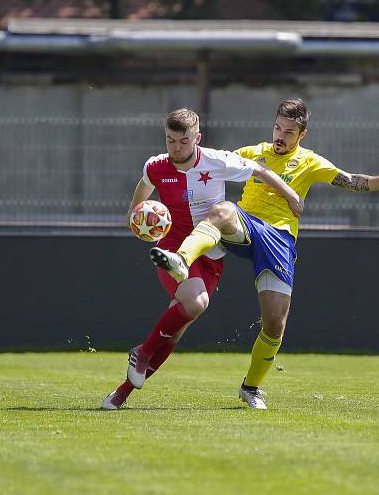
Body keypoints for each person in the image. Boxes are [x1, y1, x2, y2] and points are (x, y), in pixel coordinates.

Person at [149, 98, 379, 409]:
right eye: (277, 127)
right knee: (222, 211)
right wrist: (175, 155)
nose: (279, 136)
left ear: (302, 135)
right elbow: (209, 160)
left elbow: (350, 180)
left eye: (288, 131)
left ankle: (251, 387)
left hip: (279, 241)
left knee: (274, 324)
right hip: (245, 227)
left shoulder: (310, 162)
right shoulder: (253, 153)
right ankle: (182, 260)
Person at [101, 108, 303, 409]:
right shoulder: (156, 166)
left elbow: (260, 170)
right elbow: (143, 187)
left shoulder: (216, 161)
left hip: (211, 254)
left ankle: (121, 392)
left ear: (198, 138)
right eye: (170, 140)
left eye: (182, 141)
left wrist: (290, 195)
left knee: (175, 329)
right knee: (196, 304)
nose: (175, 148)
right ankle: (141, 354)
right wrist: (134, 215)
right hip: (171, 250)